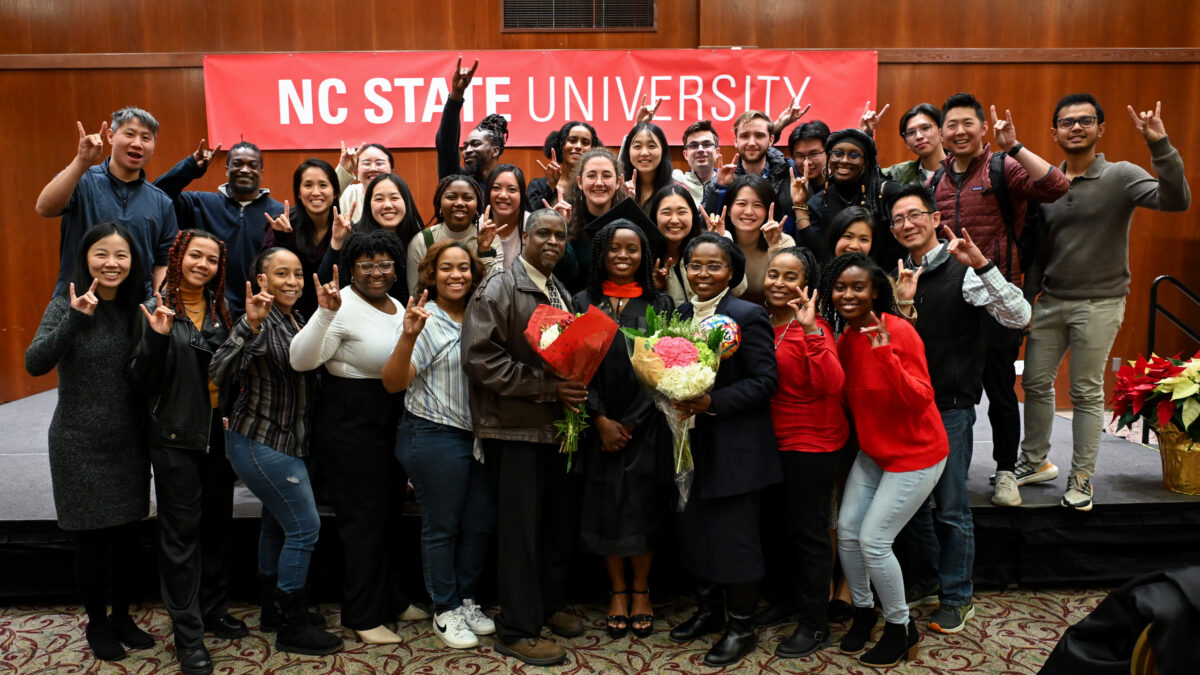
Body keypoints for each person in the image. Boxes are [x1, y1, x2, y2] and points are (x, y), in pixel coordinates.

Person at [1018, 96, 1191, 510]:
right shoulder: (1047, 183)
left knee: (1085, 391)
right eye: (1066, 122)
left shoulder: (1121, 175)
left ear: (1101, 129)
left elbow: (1176, 200)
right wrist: (1026, 303)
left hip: (1101, 302)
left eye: (1085, 121)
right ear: (1054, 132)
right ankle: (1035, 461)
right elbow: (1040, 252)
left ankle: (1081, 477)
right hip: (1051, 300)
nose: (1075, 128)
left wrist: (1160, 145)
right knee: (1035, 383)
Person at [887, 184, 1031, 636]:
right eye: (898, 219)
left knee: (951, 508)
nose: (907, 224)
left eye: (915, 215)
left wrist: (985, 266)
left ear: (934, 219)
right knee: (911, 508)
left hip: (949, 406)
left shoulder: (965, 270)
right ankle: (928, 581)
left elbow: (1020, 316)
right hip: (901, 406)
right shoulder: (892, 275)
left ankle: (957, 596)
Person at [461, 209, 587, 667]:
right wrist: (548, 388)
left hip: (553, 428)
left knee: (553, 527)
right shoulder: (499, 286)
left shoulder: (558, 288)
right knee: (520, 535)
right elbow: (480, 359)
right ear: (526, 237)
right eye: (544, 234)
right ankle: (516, 628)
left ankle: (547, 606)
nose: (553, 242)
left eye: (561, 236)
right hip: (514, 429)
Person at [25, 223, 153, 663]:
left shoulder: (141, 307)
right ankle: (97, 622)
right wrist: (77, 319)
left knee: (128, 539)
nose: (112, 263)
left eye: (121, 255)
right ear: (86, 258)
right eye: (102, 254)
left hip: (130, 440)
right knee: (93, 542)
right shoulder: (66, 303)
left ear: (133, 261)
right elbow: (35, 362)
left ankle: (122, 617)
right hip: (78, 441)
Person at [933, 93, 1069, 506]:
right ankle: (944, 472)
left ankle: (1007, 471)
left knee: (1000, 392)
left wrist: (1015, 146)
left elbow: (1055, 186)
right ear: (942, 133)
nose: (959, 131)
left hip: (998, 297)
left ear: (982, 128)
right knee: (950, 394)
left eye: (967, 123)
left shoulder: (1002, 166)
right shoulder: (934, 181)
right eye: (951, 125)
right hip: (952, 304)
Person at [208, 247, 342, 656]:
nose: (292, 282)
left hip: (289, 442)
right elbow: (216, 371)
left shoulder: (295, 317)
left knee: (274, 525)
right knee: (305, 528)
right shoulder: (259, 321)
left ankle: (271, 608)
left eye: (298, 274)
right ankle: (292, 623)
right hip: (261, 441)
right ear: (261, 279)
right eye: (281, 274)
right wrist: (249, 324)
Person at [817, 252, 947, 667]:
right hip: (875, 453)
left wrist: (888, 357)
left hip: (917, 453)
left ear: (876, 292)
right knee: (849, 531)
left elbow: (921, 398)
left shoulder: (899, 333)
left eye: (859, 287)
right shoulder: (847, 338)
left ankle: (900, 627)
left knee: (874, 540)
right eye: (841, 287)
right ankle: (863, 612)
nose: (848, 294)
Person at [288, 230, 413, 645]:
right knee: (363, 521)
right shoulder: (341, 304)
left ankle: (392, 597)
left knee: (390, 514)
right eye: (366, 264)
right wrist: (323, 315)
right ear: (352, 268)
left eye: (384, 264)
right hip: (350, 423)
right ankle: (361, 614)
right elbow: (301, 360)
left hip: (390, 418)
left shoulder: (398, 305)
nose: (376, 272)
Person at [128, 230, 243, 675]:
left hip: (216, 433)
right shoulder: (155, 307)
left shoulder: (221, 309)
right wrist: (157, 337)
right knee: (181, 538)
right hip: (174, 436)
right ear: (178, 257)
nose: (203, 264)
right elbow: (138, 379)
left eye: (212, 260)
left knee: (218, 527)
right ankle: (188, 635)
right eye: (195, 255)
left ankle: (213, 609)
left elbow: (227, 371)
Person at [668, 233, 780, 667]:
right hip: (689, 445)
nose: (703, 273)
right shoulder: (677, 313)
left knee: (736, 540)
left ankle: (742, 627)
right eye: (695, 265)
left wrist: (711, 403)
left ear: (731, 272)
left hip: (735, 447)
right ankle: (709, 612)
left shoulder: (747, 315)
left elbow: (765, 381)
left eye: (714, 266)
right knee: (697, 533)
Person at [384, 241, 496, 649]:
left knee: (479, 522)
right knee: (442, 526)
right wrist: (408, 338)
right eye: (446, 267)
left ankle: (466, 599)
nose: (456, 275)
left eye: (463, 267)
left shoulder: (481, 315)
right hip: (432, 433)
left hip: (478, 436)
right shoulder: (422, 319)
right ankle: (445, 609)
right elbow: (393, 383)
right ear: (432, 274)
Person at [572, 221, 674, 640]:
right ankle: (616, 591)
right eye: (614, 248)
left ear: (644, 256)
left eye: (632, 249)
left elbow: (667, 370)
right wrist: (599, 419)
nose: (623, 255)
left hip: (644, 426)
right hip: (598, 427)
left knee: (641, 509)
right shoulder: (584, 302)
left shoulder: (659, 305)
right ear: (601, 253)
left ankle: (641, 590)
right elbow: (575, 367)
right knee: (605, 508)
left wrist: (630, 421)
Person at [759, 246, 850, 659]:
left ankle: (815, 625)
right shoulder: (761, 323)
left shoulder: (813, 328)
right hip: (773, 444)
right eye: (774, 274)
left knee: (809, 536)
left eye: (790, 277)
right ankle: (787, 602)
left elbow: (833, 385)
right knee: (780, 530)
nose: (779, 283)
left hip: (812, 446)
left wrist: (812, 331)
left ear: (807, 286)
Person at [36, 107, 177, 296]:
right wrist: (81, 162)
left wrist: (159, 302)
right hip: (77, 303)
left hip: (135, 311)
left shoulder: (162, 202)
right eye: (129, 134)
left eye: (146, 138)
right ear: (110, 136)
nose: (137, 143)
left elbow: (163, 262)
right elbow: (45, 208)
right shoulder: (81, 179)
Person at [154, 140, 285, 315]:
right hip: (210, 314)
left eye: (252, 165)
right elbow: (157, 195)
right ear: (227, 169)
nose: (245, 170)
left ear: (261, 172)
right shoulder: (200, 203)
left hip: (262, 311)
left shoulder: (279, 214)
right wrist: (191, 167)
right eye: (237, 164)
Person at [799, 128, 901, 265]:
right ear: (829, 158)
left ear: (866, 161)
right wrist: (799, 205)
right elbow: (815, 253)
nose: (844, 160)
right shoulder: (818, 202)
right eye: (838, 154)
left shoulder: (887, 192)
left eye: (854, 155)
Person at [261, 158, 347, 319]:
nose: (315, 192)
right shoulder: (282, 224)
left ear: (335, 192)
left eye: (323, 185)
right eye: (308, 185)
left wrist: (338, 241)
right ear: (299, 193)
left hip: (335, 313)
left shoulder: (346, 228)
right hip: (287, 315)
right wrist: (281, 239)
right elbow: (264, 275)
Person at [317, 172, 422, 304]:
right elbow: (326, 287)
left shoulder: (419, 240)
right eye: (379, 199)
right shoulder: (355, 237)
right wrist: (337, 242)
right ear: (368, 204)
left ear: (406, 201)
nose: (388, 205)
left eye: (394, 198)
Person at [406, 174, 503, 293]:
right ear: (439, 205)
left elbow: (497, 290)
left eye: (467, 198)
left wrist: (484, 250)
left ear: (477, 206)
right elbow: (415, 294)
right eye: (451, 197)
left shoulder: (490, 237)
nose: (460, 203)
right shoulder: (423, 240)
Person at [702, 110, 795, 233]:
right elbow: (706, 226)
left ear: (771, 140)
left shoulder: (790, 173)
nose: (751, 143)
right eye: (745, 136)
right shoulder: (720, 181)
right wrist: (719, 188)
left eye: (759, 136)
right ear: (735, 140)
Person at [556, 148, 629, 293]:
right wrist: (559, 229)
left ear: (618, 182)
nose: (599, 183)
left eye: (607, 176)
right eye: (591, 176)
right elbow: (564, 275)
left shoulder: (629, 223)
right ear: (580, 182)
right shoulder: (567, 220)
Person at [722, 174, 796, 305]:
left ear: (767, 210)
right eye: (741, 204)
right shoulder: (720, 240)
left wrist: (774, 248)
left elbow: (786, 290)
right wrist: (719, 246)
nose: (749, 212)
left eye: (757, 205)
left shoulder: (784, 242)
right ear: (728, 209)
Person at [437, 57, 509, 183]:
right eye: (465, 147)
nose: (467, 151)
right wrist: (456, 95)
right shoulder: (459, 182)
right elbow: (446, 148)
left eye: (475, 144)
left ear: (495, 150)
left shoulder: (507, 189)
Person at [648, 184, 707, 305]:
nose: (674, 220)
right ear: (655, 217)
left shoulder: (707, 248)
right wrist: (655, 289)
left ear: (693, 215)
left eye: (682, 212)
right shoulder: (645, 257)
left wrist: (723, 243)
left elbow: (738, 290)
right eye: (666, 213)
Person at [527, 121, 601, 209]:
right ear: (561, 145)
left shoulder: (595, 186)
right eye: (572, 140)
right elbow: (532, 218)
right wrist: (550, 186)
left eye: (585, 143)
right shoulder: (538, 185)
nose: (578, 146)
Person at [886, 104, 947, 186]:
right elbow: (870, 177)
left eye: (925, 128)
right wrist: (866, 134)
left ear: (941, 132)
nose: (919, 136)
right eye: (911, 132)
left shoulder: (962, 166)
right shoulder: (898, 173)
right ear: (906, 143)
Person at [484, 164, 532, 269]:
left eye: (512, 189)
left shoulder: (533, 224)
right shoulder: (479, 225)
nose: (503, 195)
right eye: (496, 188)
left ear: (522, 195)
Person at [618, 122, 675, 207]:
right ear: (628, 151)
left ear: (663, 150)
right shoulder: (618, 190)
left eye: (651, 146)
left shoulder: (675, 190)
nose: (644, 153)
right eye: (637, 146)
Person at [335, 142, 394, 223]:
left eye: (379, 163)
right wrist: (343, 171)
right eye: (366, 163)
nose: (373, 168)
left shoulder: (399, 197)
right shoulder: (346, 194)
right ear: (358, 172)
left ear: (392, 172)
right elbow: (327, 197)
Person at [673, 120, 720, 204]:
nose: (700, 149)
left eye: (706, 144)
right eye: (693, 146)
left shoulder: (729, 184)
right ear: (686, 154)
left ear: (717, 152)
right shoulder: (675, 182)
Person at [787, 120, 832, 194]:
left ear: (828, 152)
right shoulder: (786, 189)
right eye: (800, 156)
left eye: (813, 154)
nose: (806, 162)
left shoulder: (842, 185)